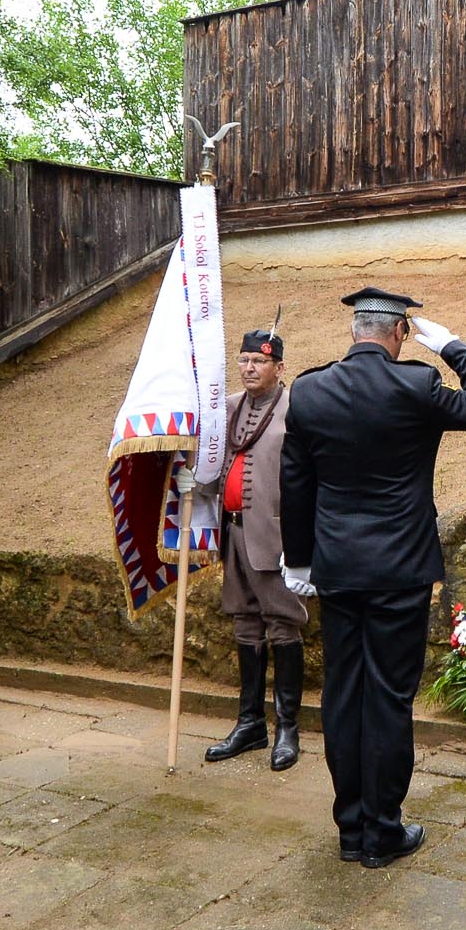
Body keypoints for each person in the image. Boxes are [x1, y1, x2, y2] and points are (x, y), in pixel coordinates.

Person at [280, 287, 466, 868]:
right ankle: (382, 831)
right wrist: (454, 347)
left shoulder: (308, 389)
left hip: (337, 565)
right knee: (387, 696)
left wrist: (298, 560)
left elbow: (296, 483)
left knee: (342, 694)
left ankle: (350, 829)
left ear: (355, 330)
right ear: (399, 333)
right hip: (400, 567)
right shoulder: (416, 385)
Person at [193, 324, 309, 771]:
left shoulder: (296, 409)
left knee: (283, 626)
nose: (249, 368)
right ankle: (249, 724)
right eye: (243, 360)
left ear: (279, 367)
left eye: (259, 361)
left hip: (277, 537)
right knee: (245, 624)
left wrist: (303, 544)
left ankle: (288, 729)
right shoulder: (226, 410)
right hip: (233, 533)